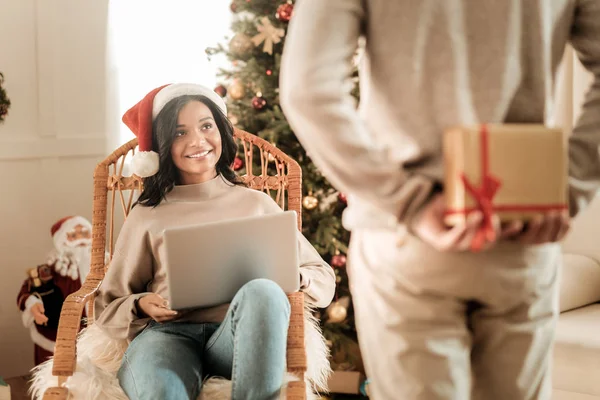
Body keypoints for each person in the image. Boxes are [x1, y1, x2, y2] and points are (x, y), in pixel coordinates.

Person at [280, 1, 600, 399]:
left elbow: (307, 90)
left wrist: (407, 202)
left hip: (407, 244)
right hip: (521, 230)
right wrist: (567, 187)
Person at [94, 83, 335, 400]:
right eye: (180, 132)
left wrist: (295, 276)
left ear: (221, 132)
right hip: (167, 336)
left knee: (263, 290)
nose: (197, 140)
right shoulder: (147, 215)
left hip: (239, 338)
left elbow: (323, 279)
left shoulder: (257, 204)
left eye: (206, 126)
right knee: (162, 393)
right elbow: (106, 305)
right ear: (163, 144)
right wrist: (140, 303)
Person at [17, 216, 92, 365]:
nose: (81, 240)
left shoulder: (107, 266)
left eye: (85, 234)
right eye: (73, 236)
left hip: (96, 335)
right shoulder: (51, 271)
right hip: (59, 336)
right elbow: (26, 292)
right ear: (62, 241)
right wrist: (33, 304)